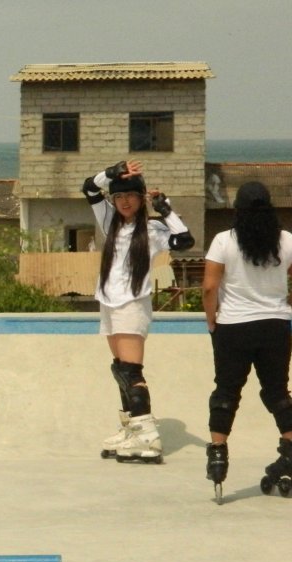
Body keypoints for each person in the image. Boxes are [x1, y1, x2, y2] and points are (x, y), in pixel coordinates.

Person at [82, 160, 195, 461]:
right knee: (119, 368)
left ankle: (148, 436)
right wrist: (112, 172)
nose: (125, 202)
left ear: (142, 197)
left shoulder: (153, 229)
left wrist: (166, 207)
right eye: (119, 196)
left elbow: (184, 241)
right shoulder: (108, 221)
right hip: (108, 302)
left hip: (133, 304)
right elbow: (89, 187)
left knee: (132, 371)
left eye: (131, 195)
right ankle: (131, 429)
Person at [202, 181, 292, 496]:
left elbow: (210, 287)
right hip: (275, 327)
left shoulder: (223, 241)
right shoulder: (287, 241)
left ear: (237, 211)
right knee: (277, 393)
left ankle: (217, 453)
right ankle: (291, 449)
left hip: (233, 328)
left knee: (226, 392)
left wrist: (212, 320)